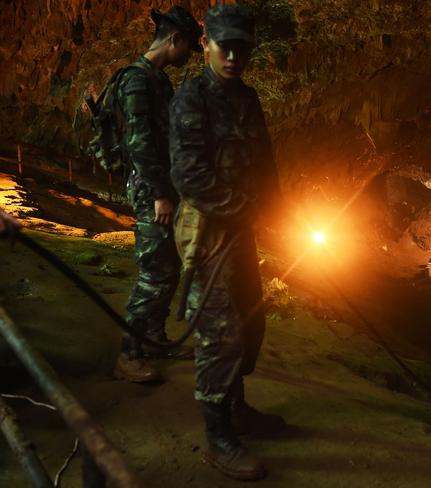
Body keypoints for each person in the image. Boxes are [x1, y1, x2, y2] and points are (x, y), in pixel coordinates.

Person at [169, 4, 285, 480]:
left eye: (243, 48)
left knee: (252, 324)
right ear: (205, 44)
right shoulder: (191, 99)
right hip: (209, 235)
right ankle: (219, 439)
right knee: (220, 336)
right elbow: (189, 175)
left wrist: (277, 209)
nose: (234, 55)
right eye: (225, 46)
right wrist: (244, 209)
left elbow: (264, 163)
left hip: (243, 233)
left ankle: (236, 408)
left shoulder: (248, 99)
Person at [113, 6, 203, 383]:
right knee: (155, 271)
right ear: (174, 40)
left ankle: (152, 337)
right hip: (151, 191)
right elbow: (140, 144)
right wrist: (160, 195)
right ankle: (128, 353)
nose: (188, 56)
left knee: (166, 266)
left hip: (162, 187)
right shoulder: (137, 81)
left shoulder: (157, 79)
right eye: (188, 48)